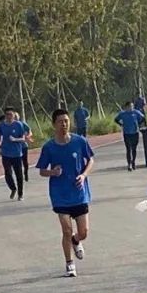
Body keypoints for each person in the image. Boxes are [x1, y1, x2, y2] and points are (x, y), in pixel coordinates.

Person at [37, 109, 96, 278]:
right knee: (66, 230)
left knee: (83, 232)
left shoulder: (79, 141)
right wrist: (53, 172)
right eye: (60, 121)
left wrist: (83, 175)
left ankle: (76, 241)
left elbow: (90, 160)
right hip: (60, 195)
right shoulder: (49, 147)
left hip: (79, 193)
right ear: (54, 124)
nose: (64, 124)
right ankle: (69, 263)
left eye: (66, 121)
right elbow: (42, 170)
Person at [0, 107, 29, 200]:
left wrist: (15, 139)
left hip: (17, 153)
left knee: (19, 174)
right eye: (7, 114)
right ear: (5, 115)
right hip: (5, 153)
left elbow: (23, 138)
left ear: (14, 115)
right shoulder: (1, 125)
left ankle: (20, 194)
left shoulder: (19, 125)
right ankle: (13, 188)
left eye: (11, 114)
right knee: (8, 173)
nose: (9, 116)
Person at [115, 101, 146, 171]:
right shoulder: (122, 114)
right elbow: (116, 119)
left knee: (134, 148)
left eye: (132, 106)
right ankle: (129, 164)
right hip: (127, 133)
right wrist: (121, 124)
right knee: (128, 149)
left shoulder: (136, 112)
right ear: (126, 107)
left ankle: (133, 162)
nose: (131, 108)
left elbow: (143, 118)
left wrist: (138, 124)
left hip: (135, 133)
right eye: (130, 106)